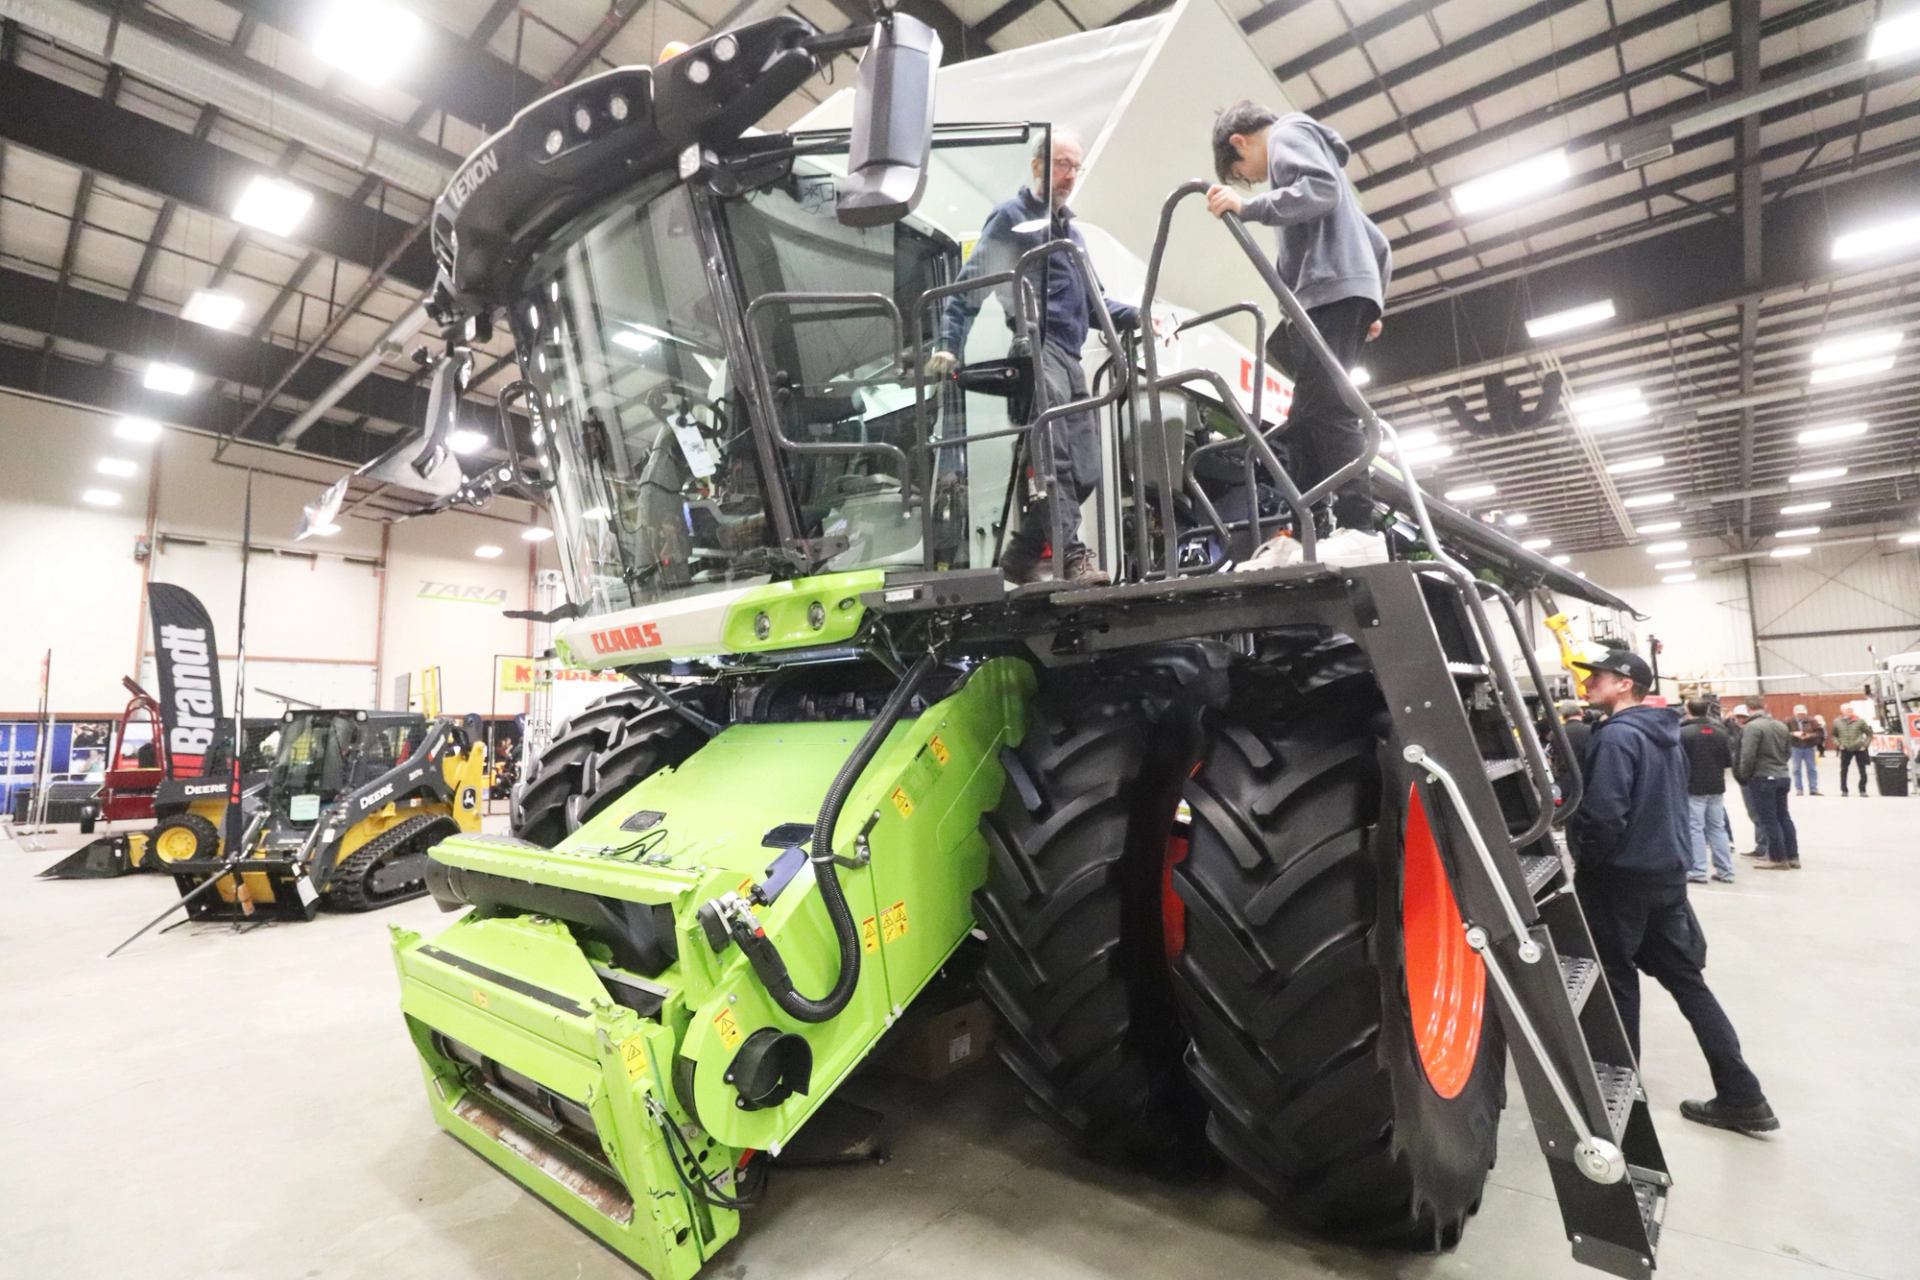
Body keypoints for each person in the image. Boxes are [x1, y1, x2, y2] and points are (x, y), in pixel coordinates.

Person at [1566, 652, 1777, 1134]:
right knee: (1688, 983)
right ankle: (1742, 1093)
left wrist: (1588, 861)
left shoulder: (1618, 737)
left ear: (1624, 684)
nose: (1588, 682)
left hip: (1620, 879)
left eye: (1596, 676)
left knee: (1616, 982)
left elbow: (1603, 815)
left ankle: (1617, 1090)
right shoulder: (1665, 733)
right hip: (1665, 875)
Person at [929, 129, 1142, 587]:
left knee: (1084, 469)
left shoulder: (1075, 236)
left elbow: (1096, 306)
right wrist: (948, 343)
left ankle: (1021, 555)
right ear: (1038, 165)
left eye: (1075, 167)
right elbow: (972, 282)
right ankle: (1071, 556)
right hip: (1036, 350)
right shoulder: (1011, 219)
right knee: (1056, 463)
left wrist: (1143, 317)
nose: (1070, 176)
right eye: (1062, 164)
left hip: (1070, 357)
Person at [1205, 101, 1391, 564]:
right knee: (1306, 412)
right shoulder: (1315, 153)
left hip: (1329, 294)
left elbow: (1320, 190)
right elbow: (1378, 244)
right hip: (1339, 295)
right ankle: (1309, 527)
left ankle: (1359, 528)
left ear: (1239, 143)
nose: (1255, 180)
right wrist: (1373, 299)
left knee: (1327, 408)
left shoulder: (1288, 136)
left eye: (1244, 172)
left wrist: (1248, 207)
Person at [1734, 704, 1799, 869]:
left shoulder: (1752, 727)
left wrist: (1744, 775)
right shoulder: (1780, 725)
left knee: (1769, 819)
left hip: (1763, 778)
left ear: (1749, 710)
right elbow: (1787, 752)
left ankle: (1777, 858)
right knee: (1784, 816)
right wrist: (1779, 765)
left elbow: (1747, 755)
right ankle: (1792, 856)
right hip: (1782, 776)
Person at [1679, 699, 1736, 884]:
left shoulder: (1683, 733)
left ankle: (1698, 870)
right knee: (1717, 828)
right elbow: (1728, 761)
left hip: (1694, 786)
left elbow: (1678, 762)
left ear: (1687, 710)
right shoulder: (1720, 732)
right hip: (1716, 786)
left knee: (1695, 828)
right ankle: (1726, 870)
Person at [1832, 705, 1873, 796]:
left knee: (1862, 769)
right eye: (1847, 710)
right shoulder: (1837, 722)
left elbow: (1869, 734)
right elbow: (1834, 735)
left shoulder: (1860, 721)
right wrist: (1839, 745)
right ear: (1842, 711)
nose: (1849, 712)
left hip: (1859, 748)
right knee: (1844, 770)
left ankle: (1862, 790)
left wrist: (1865, 745)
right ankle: (1844, 790)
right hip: (1845, 748)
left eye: (1851, 710)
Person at [1787, 704, 1823, 795]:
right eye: (1799, 714)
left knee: (1812, 768)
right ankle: (1799, 789)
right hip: (1795, 747)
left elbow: (1820, 733)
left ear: (1806, 713)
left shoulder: (1812, 721)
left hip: (1809, 747)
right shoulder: (1788, 721)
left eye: (1802, 714)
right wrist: (1793, 734)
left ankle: (1813, 789)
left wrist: (1809, 736)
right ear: (1794, 713)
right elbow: (1783, 733)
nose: (1801, 716)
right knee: (1796, 769)